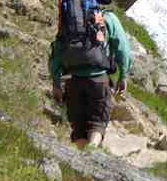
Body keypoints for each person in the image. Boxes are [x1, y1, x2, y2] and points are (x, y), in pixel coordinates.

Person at [49, 8, 130, 150]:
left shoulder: (70, 18)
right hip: (99, 79)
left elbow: (56, 52)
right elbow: (122, 49)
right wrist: (123, 76)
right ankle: (91, 152)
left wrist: (56, 83)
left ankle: (82, 159)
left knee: (78, 127)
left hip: (73, 80)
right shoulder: (107, 17)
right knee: (98, 123)